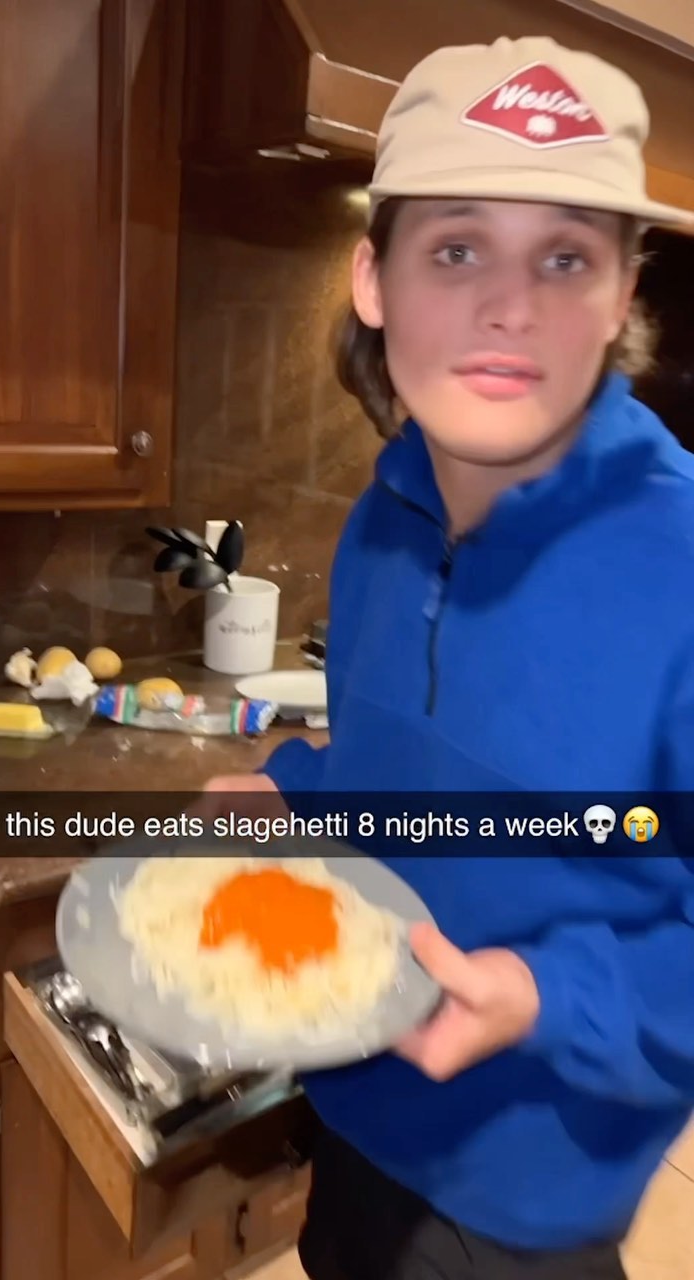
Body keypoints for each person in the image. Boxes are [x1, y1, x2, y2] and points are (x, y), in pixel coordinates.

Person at [205, 35, 694, 1280]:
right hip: (356, 1116)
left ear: (622, 295)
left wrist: (543, 996)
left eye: (566, 256)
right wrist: (293, 794)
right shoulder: (387, 517)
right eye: (458, 248)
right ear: (374, 278)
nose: (510, 306)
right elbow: (405, 776)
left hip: (525, 1202)